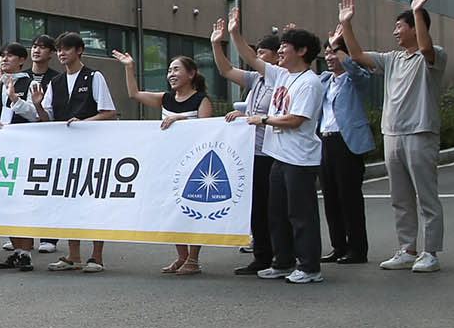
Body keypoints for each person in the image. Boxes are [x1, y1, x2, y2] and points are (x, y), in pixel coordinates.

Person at [339, 0, 447, 273]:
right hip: (393, 133)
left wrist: (417, 10)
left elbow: (425, 48)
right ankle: (407, 249)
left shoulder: (434, 56)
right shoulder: (392, 59)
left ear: (415, 27)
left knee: (426, 197)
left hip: (421, 132)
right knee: (399, 197)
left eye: (400, 26)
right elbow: (358, 55)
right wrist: (347, 24)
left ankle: (430, 252)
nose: (395, 31)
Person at [226, 27, 328, 284]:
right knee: (277, 213)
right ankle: (282, 262)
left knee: (301, 215)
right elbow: (251, 59)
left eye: (286, 46)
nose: (280, 50)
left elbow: (295, 119)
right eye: (280, 46)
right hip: (277, 156)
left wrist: (263, 119)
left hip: (299, 159)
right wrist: (234, 32)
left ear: (302, 51)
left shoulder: (309, 82)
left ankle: (309, 267)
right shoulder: (281, 74)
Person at [112, 50, 213, 274]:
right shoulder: (166, 99)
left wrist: (180, 118)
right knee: (173, 209)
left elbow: (208, 129)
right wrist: (129, 66)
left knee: (193, 209)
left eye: (176, 69)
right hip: (170, 162)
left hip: (195, 164)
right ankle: (181, 256)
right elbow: (134, 94)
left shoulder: (201, 100)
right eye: (169, 71)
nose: (171, 74)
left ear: (191, 74)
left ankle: (194, 259)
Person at [212, 14, 282, 275]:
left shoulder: (279, 78)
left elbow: (248, 57)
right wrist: (216, 44)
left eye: (263, 53)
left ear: (277, 57)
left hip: (270, 151)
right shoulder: (257, 79)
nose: (258, 57)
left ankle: (280, 255)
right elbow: (226, 71)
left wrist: (234, 33)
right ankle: (262, 256)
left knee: (271, 208)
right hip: (250, 152)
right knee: (256, 208)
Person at [45, 32, 116, 273]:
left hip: (92, 148)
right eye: (59, 49)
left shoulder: (94, 76)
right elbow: (46, 118)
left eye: (66, 49)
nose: (61, 53)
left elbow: (108, 112)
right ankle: (73, 254)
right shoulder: (55, 82)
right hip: (64, 150)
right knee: (68, 202)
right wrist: (35, 104)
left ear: (79, 50)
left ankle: (97, 255)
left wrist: (85, 121)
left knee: (94, 200)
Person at [316, 27, 375, 264]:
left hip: (347, 143)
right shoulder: (323, 80)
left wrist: (342, 48)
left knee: (349, 197)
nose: (330, 57)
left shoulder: (356, 78)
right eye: (327, 53)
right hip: (326, 141)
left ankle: (357, 249)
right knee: (330, 197)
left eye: (335, 52)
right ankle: (338, 246)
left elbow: (354, 68)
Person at [0, 42, 42, 271]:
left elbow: (36, 114)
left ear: (22, 60)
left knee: (22, 200)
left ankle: (26, 251)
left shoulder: (31, 84)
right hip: (1, 151)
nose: (4, 60)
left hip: (25, 148)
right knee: (5, 199)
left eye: (9, 56)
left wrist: (15, 100)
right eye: (1, 56)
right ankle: (17, 249)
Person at [25, 34, 60, 253]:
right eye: (34, 46)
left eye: (43, 47)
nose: (37, 51)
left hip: (49, 140)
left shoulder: (56, 79)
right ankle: (22, 237)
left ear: (52, 53)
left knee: (48, 187)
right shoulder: (21, 77)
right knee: (25, 188)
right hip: (24, 139)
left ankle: (49, 237)